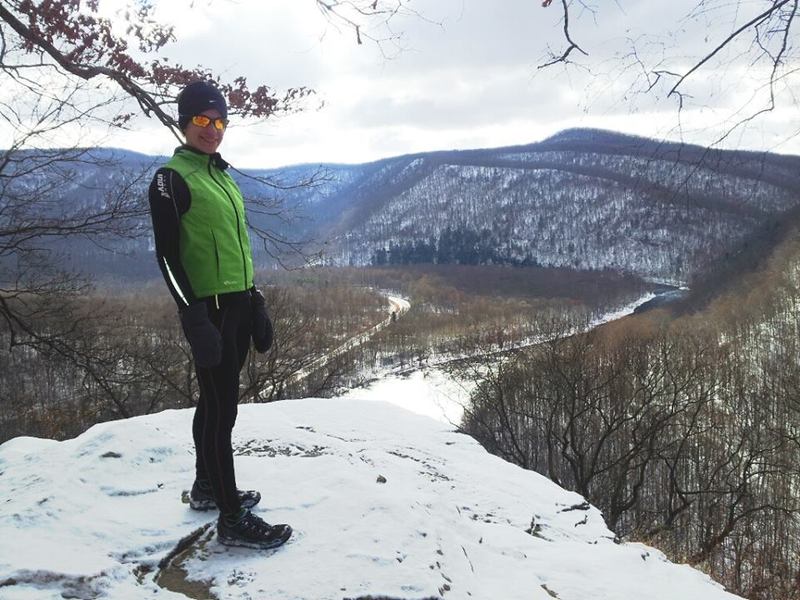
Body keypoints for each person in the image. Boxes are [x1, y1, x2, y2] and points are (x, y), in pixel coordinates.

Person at [147, 80, 291, 550]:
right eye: (203, 120)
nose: (212, 129)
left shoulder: (223, 176)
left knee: (212, 406)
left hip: (237, 306)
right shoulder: (171, 179)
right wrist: (192, 318)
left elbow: (238, 249)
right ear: (184, 121)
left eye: (220, 121)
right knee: (222, 414)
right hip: (207, 311)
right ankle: (231, 519)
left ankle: (208, 488)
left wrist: (257, 300)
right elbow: (168, 257)